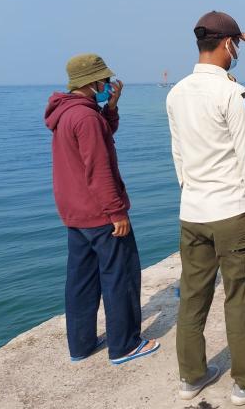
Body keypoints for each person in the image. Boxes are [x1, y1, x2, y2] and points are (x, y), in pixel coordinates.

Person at [166, 11, 245, 404]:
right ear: (228, 44)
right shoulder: (233, 93)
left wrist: (192, 191)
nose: (237, 51)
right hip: (231, 213)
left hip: (192, 211)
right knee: (241, 298)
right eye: (237, 44)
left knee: (193, 297)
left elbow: (178, 154)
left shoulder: (176, 93)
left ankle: (192, 377)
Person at [44, 53, 159, 365]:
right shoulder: (86, 118)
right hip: (101, 214)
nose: (110, 84)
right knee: (120, 276)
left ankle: (80, 345)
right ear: (92, 83)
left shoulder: (68, 112)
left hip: (74, 212)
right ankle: (124, 345)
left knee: (80, 280)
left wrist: (111, 107)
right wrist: (116, 211)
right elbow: (99, 168)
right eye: (105, 81)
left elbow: (100, 138)